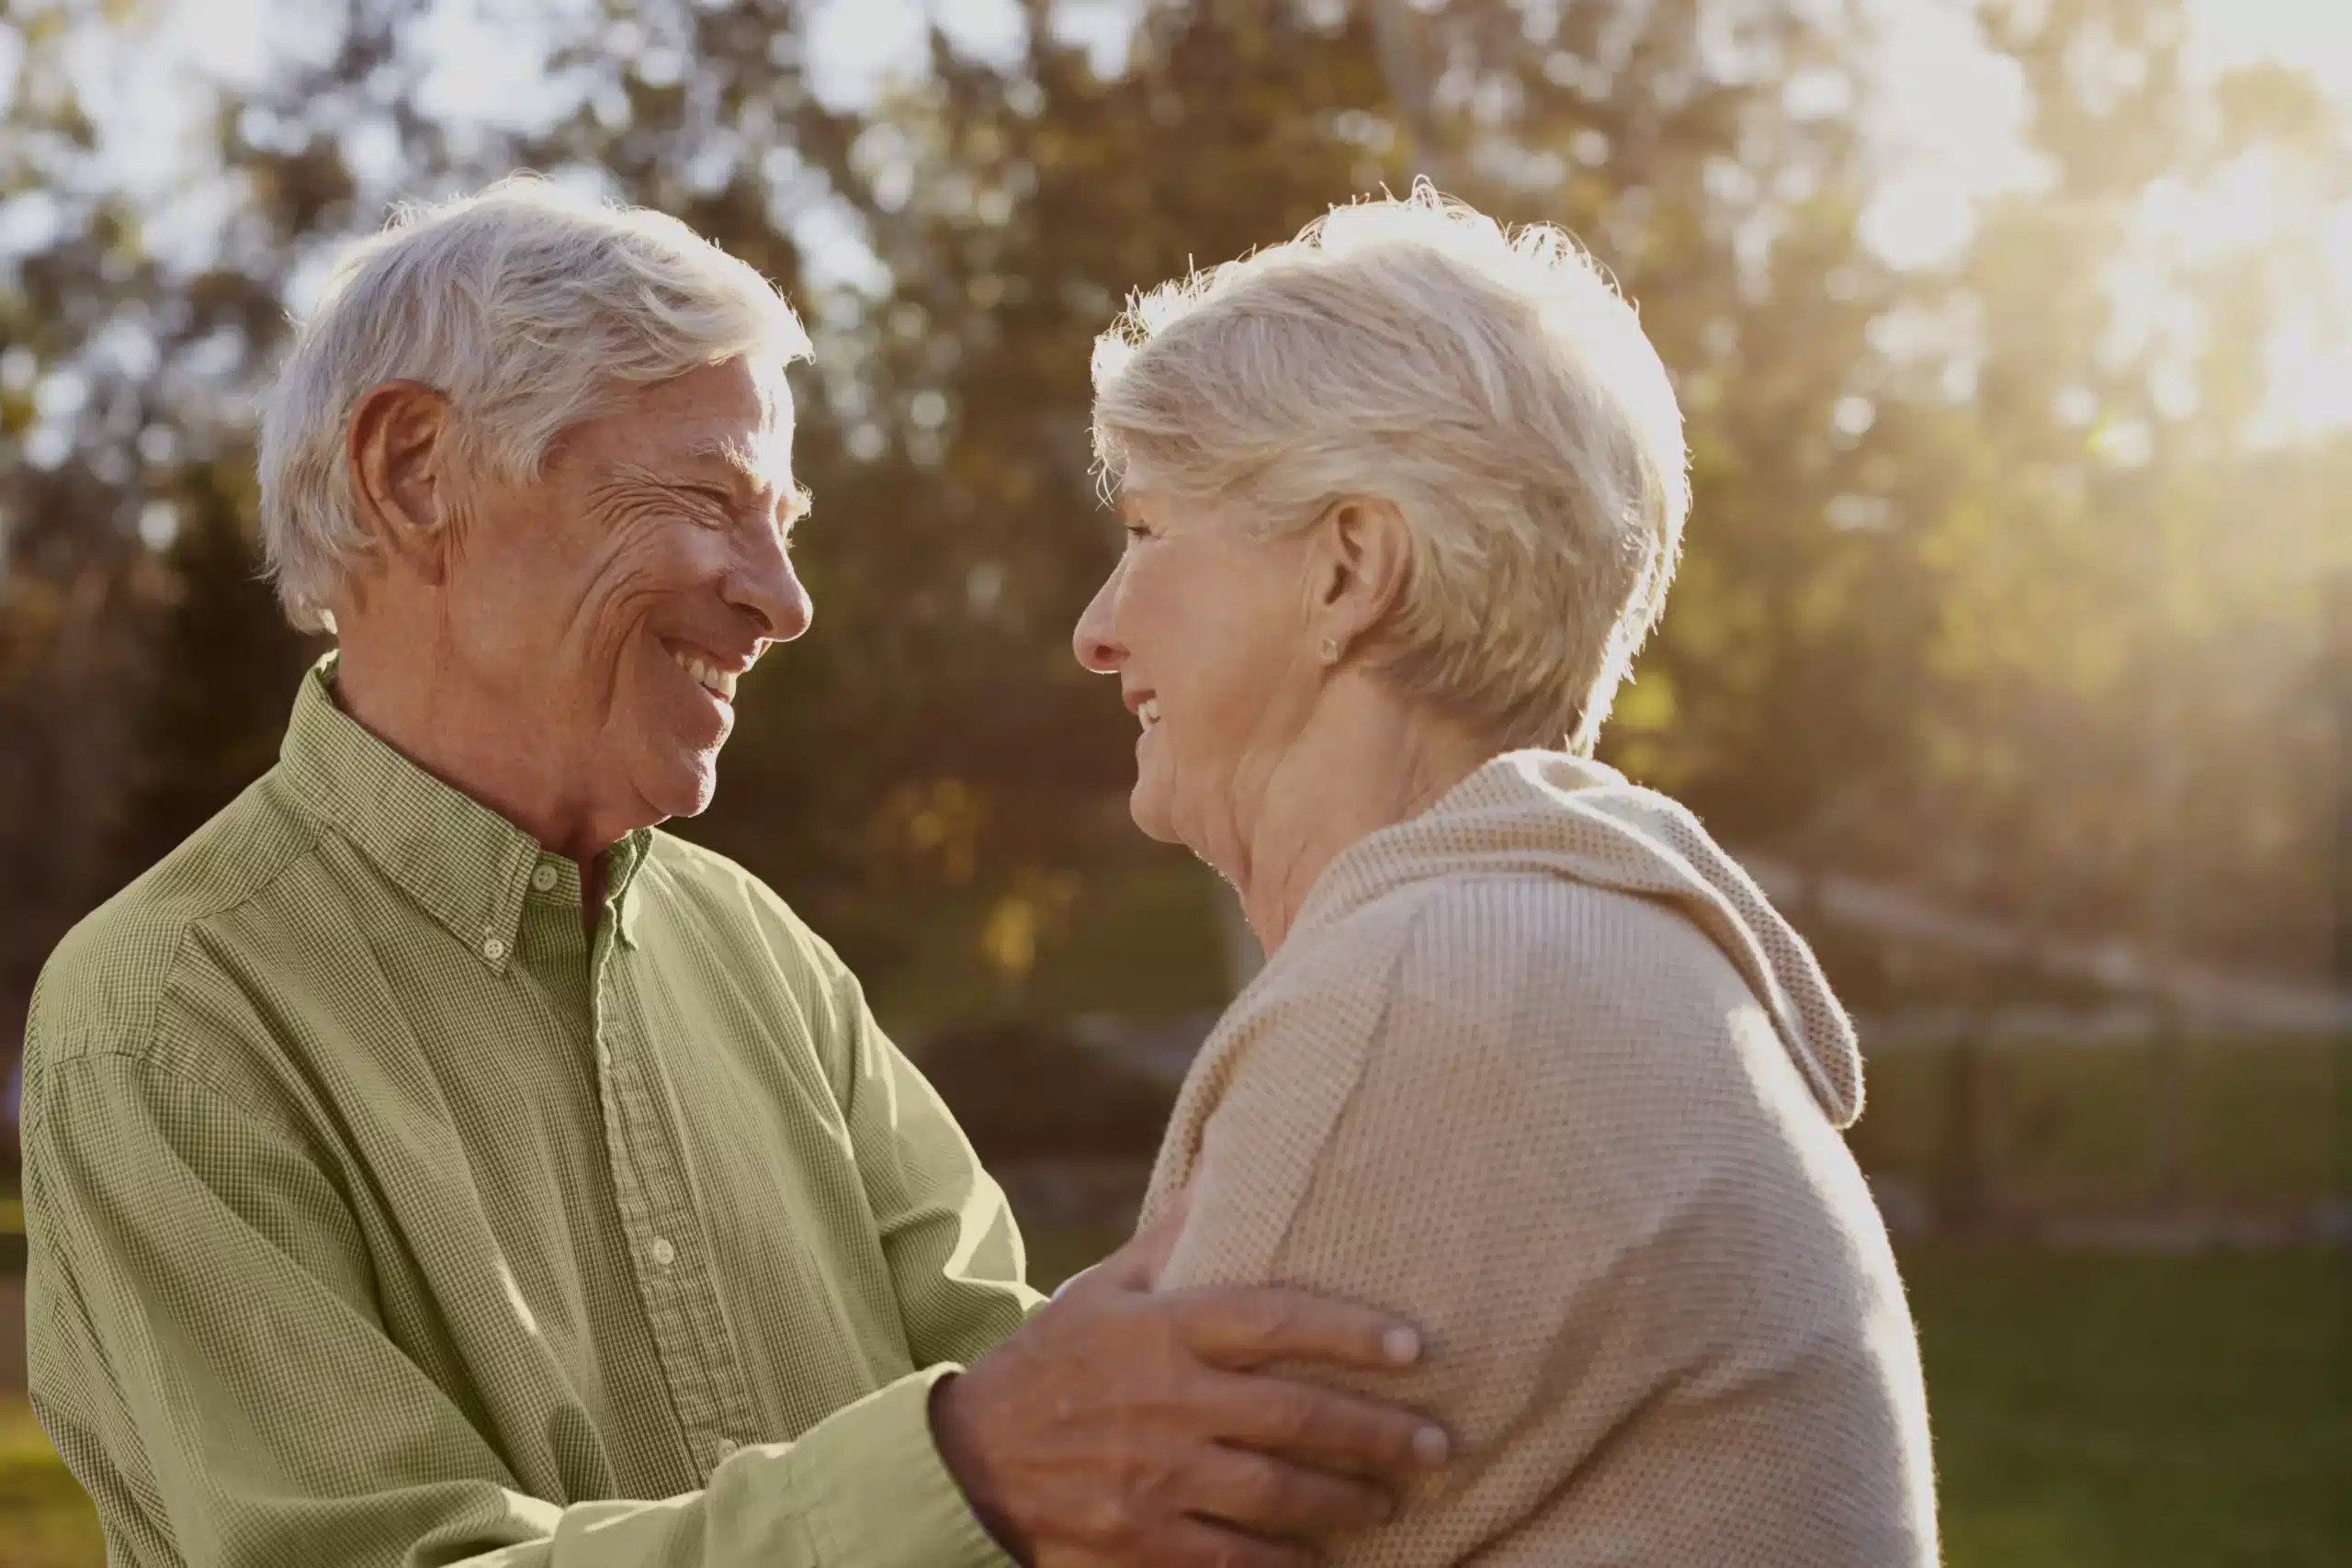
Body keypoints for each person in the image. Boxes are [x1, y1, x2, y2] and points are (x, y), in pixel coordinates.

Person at [20, 176, 1451, 1568]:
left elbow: (1041, 1408)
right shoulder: (169, 1020)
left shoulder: (762, 958)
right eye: (711, 499)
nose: (783, 598)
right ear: (414, 473)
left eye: (785, 525)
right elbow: (1004, 1453)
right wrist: (973, 1477)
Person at [1066, 186, 1938, 1565]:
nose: (1097, 631)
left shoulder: (1439, 993)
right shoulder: (1575, 948)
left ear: (1349, 569)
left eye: (1152, 533)